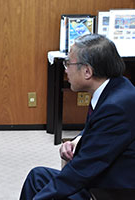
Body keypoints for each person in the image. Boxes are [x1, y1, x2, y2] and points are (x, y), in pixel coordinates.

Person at [20, 34, 135, 200]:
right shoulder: (116, 87)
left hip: (111, 190)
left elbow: (82, 170)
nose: (65, 70)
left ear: (87, 71)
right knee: (37, 177)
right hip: (103, 176)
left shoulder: (116, 107)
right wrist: (77, 139)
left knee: (44, 190)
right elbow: (100, 129)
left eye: (68, 63)